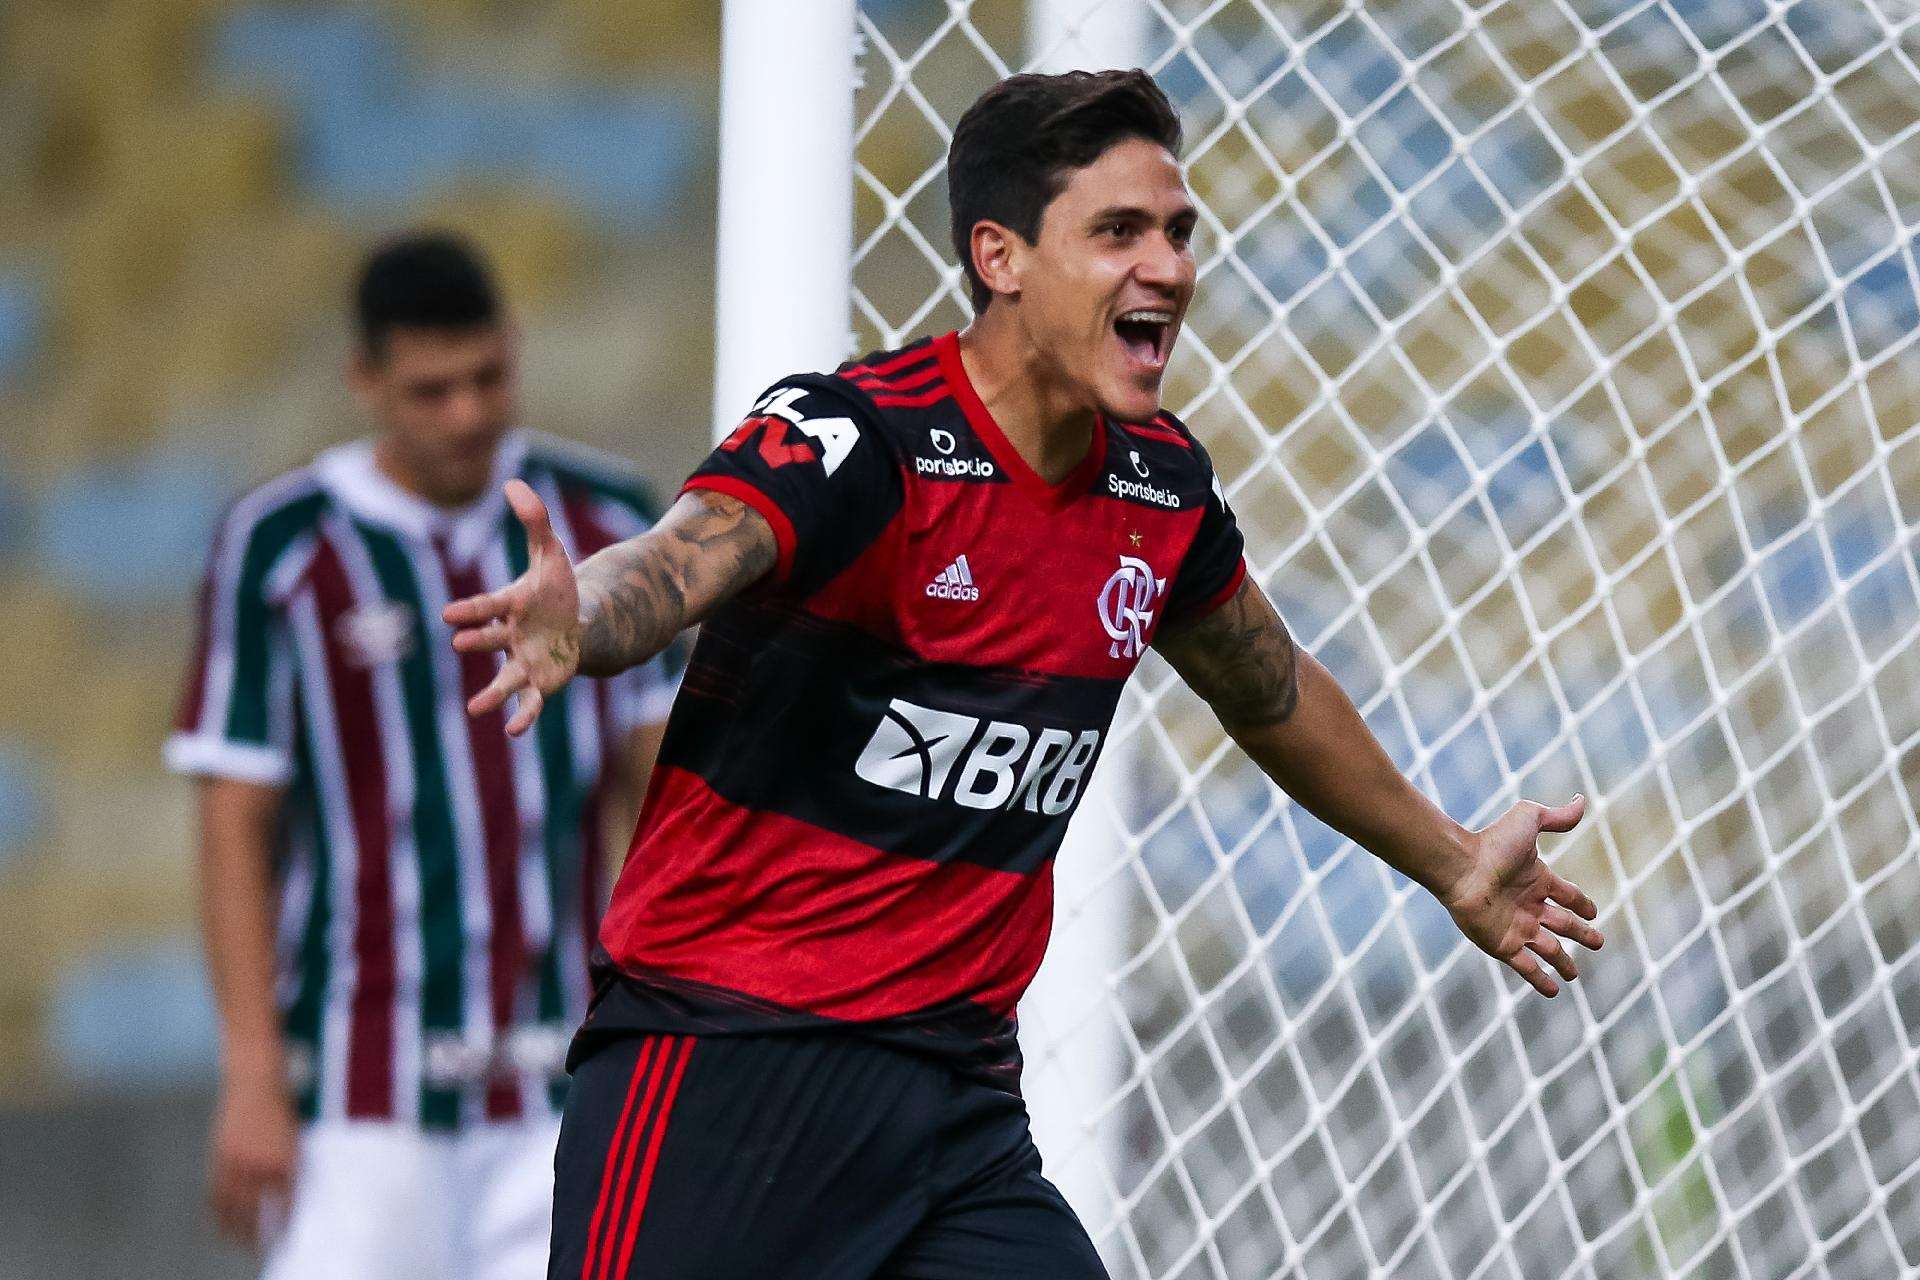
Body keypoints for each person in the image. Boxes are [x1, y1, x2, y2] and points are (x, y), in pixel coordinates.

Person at [447, 71, 1605, 1279]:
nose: (1168, 266)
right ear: (999, 255)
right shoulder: (865, 440)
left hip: (954, 1108)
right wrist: (587, 613)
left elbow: (1266, 686)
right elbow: (681, 558)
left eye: (1178, 231)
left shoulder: (1159, 488)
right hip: (725, 1068)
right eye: (1118, 232)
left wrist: (1454, 858)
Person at [167, 232, 679, 1280]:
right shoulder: (283, 545)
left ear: (515, 350)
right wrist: (253, 1070)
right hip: (361, 1098)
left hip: (562, 1078)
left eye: (487, 377)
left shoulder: (600, 517)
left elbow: (663, 783)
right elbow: (234, 821)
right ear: (366, 379)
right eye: (431, 389)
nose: (467, 414)